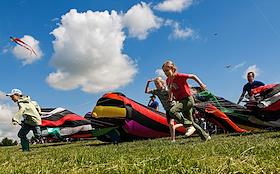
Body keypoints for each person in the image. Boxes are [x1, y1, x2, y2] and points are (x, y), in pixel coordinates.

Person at [162, 60, 211, 141]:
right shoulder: (168, 80)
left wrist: (201, 84)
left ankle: (188, 125)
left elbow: (193, 76)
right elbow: (171, 90)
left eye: (167, 70)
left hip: (188, 100)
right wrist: (170, 98)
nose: (165, 73)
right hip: (180, 101)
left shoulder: (179, 76)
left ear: (173, 69)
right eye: (164, 71)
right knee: (191, 121)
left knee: (172, 111)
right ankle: (206, 136)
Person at [145, 77, 196, 142]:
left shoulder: (166, 89)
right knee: (170, 125)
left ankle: (190, 125)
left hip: (173, 106)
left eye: (157, 83)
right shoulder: (156, 91)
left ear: (162, 83)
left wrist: (171, 98)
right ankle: (173, 139)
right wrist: (148, 83)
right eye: (155, 84)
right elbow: (146, 91)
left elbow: (173, 93)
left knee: (175, 122)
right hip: (167, 108)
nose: (156, 85)